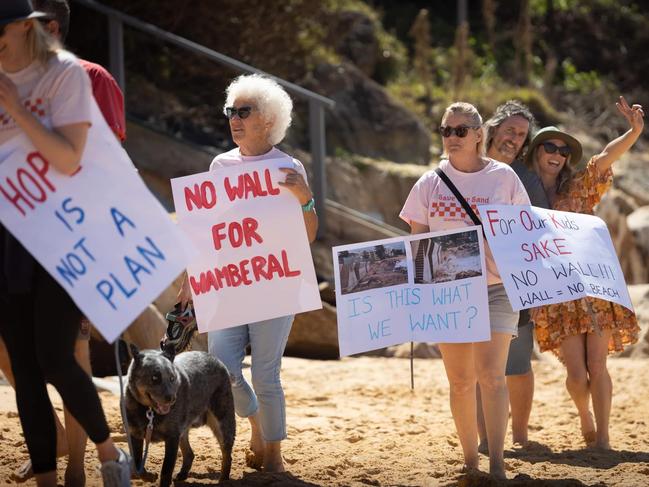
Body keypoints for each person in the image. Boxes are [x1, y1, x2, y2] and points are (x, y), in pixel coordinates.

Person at [0, 1, 130, 486]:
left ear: (26, 27)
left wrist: (14, 106)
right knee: (25, 373)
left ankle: (105, 451)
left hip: (64, 237)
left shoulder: (72, 76)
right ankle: (50, 480)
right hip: (8, 238)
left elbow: (75, 160)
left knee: (58, 357)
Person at [178, 73, 318, 473]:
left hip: (276, 284)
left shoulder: (289, 168)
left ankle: (273, 455)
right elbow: (208, 230)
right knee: (221, 369)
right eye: (231, 111)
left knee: (266, 373)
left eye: (244, 111)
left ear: (269, 119)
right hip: (227, 284)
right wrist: (191, 280)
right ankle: (257, 426)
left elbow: (308, 236)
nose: (234, 119)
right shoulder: (219, 164)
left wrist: (304, 199)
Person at [400, 102, 529, 479]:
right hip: (449, 294)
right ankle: (470, 461)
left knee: (492, 376)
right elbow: (416, 244)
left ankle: (498, 464)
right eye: (446, 130)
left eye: (460, 130)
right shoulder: (429, 183)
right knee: (460, 382)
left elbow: (524, 232)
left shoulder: (504, 178)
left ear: (478, 135)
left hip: (496, 288)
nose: (452, 137)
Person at [527, 96, 643, 450]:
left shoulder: (576, 188)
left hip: (593, 286)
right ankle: (584, 417)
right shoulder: (518, 192)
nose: (558, 154)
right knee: (577, 375)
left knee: (598, 365)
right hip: (555, 293)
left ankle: (604, 439)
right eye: (551, 146)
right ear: (536, 151)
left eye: (564, 151)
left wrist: (634, 131)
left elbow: (604, 158)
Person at [475, 100, 549, 451]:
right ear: (493, 130)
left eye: (521, 135)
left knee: (517, 363)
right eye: (510, 131)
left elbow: (539, 229)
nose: (515, 139)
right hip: (471, 281)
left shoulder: (527, 179)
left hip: (516, 283)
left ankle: (519, 437)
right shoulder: (465, 168)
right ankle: (487, 440)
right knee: (480, 368)